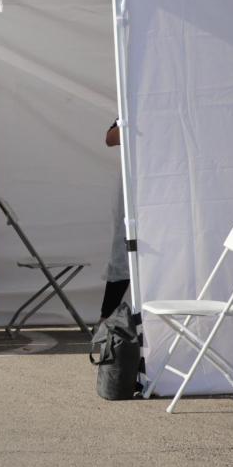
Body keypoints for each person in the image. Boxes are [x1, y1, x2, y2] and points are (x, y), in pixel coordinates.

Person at [102, 121, 130, 320]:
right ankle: (106, 320)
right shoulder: (132, 108)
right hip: (133, 184)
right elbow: (110, 138)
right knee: (123, 250)